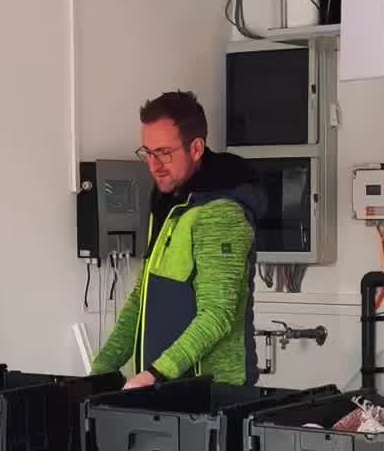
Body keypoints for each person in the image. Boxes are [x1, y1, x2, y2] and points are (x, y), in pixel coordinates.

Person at [92, 90, 265, 390]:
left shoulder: (221, 214)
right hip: (165, 389)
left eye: (164, 153)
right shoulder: (169, 206)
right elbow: (141, 299)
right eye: (147, 152)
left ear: (196, 148)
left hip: (210, 395)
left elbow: (217, 315)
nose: (153, 165)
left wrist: (156, 374)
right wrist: (101, 370)